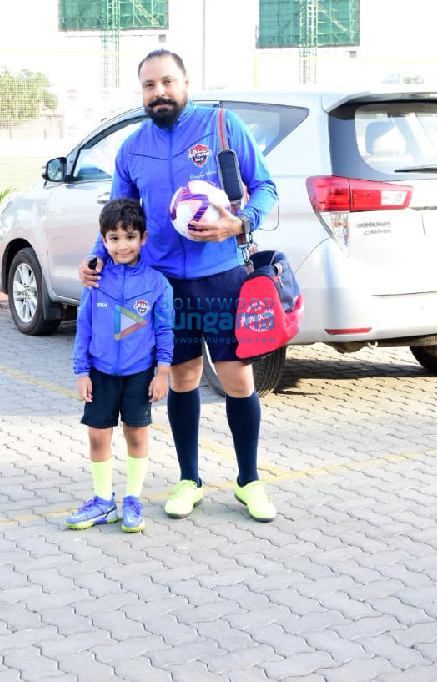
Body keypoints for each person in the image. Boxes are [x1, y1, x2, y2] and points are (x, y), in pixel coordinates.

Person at [80, 49, 279, 522]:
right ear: (142, 93)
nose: (159, 92)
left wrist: (239, 223)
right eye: (149, 86)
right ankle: (190, 479)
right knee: (182, 378)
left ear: (185, 83)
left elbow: (266, 186)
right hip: (165, 285)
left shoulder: (221, 127)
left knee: (237, 379)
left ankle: (249, 481)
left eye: (167, 82)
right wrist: (97, 253)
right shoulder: (132, 148)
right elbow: (118, 214)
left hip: (222, 277)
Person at [67, 198, 173, 533]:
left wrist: (162, 373)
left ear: (142, 238)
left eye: (129, 237)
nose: (121, 245)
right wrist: (81, 371)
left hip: (140, 373)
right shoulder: (95, 278)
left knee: (136, 435)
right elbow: (83, 325)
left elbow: (164, 330)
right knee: (98, 436)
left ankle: (132, 499)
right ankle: (102, 502)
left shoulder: (157, 284)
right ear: (104, 240)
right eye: (113, 238)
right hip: (100, 373)